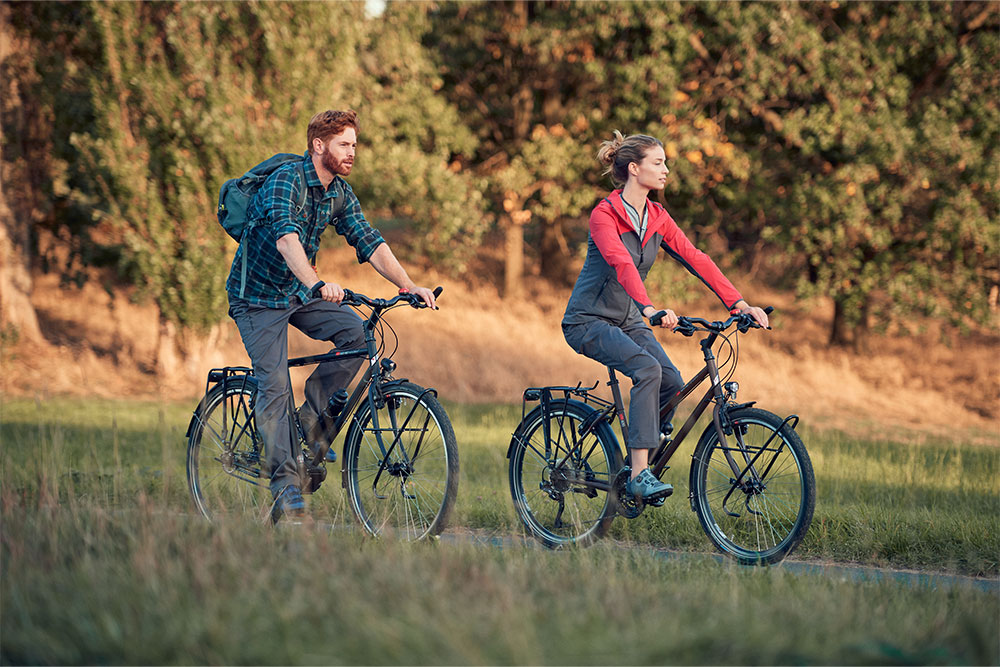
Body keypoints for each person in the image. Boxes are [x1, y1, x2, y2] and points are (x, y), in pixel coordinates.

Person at [226, 109, 438, 523]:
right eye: (344, 144)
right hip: (256, 299)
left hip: (297, 293)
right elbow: (287, 239)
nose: (352, 152)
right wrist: (316, 284)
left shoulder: (338, 192)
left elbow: (369, 240)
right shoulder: (286, 182)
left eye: (355, 144)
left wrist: (408, 285)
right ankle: (285, 486)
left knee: (359, 335)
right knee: (274, 386)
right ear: (318, 146)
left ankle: (309, 419)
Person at [561, 131, 768, 503]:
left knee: (671, 382)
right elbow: (621, 263)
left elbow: (695, 257)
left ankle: (637, 466)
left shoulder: (656, 216)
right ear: (635, 168)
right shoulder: (604, 215)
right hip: (588, 320)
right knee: (647, 371)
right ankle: (640, 473)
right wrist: (649, 308)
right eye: (659, 163)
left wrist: (738, 304)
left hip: (628, 320)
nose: (666, 170)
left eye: (665, 163)